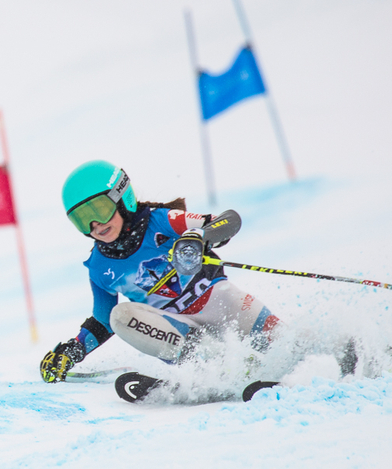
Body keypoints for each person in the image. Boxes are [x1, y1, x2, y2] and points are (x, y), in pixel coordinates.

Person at [40, 160, 354, 383]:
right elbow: (101, 320)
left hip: (220, 303)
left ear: (122, 198)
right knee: (120, 317)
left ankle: (348, 353)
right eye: (82, 219)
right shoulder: (100, 267)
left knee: (286, 344)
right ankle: (215, 365)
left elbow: (227, 220)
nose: (95, 224)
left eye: (98, 210)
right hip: (176, 330)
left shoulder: (160, 221)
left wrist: (196, 237)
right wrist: (73, 350)